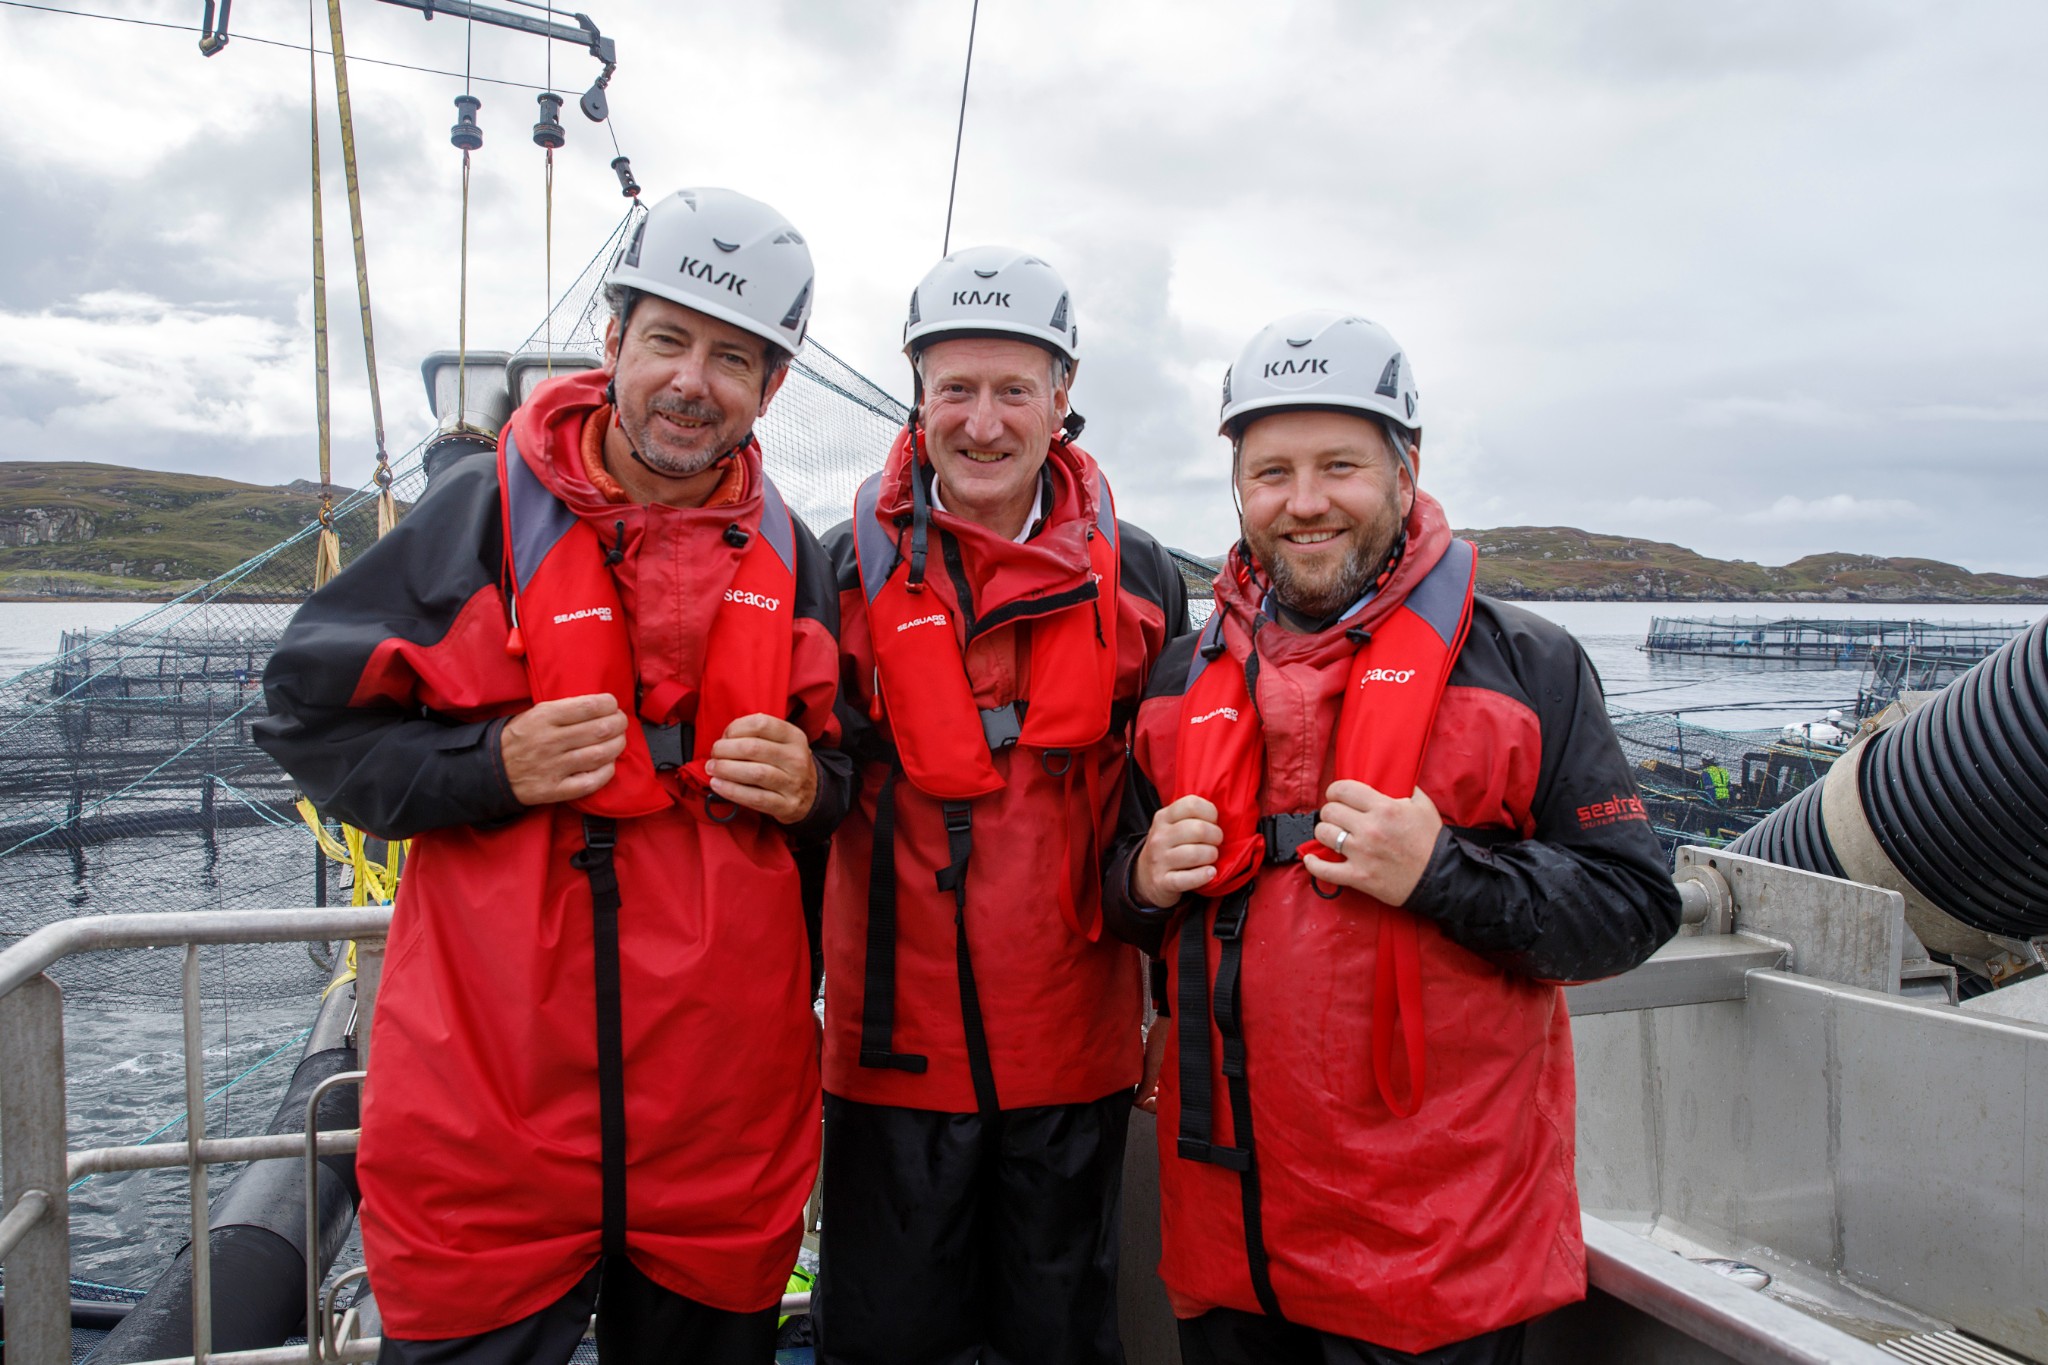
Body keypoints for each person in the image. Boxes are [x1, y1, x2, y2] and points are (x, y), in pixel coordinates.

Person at [256, 187, 847, 1365]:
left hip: (717, 1132)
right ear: (614, 342)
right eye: (668, 340)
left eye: (734, 358)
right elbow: (308, 718)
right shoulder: (474, 518)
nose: (693, 380)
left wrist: (814, 784)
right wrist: (488, 764)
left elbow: (844, 785)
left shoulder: (795, 558)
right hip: (489, 1124)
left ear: (771, 389)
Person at [1104, 310, 1682, 1364]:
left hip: (1434, 1264)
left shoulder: (1527, 666)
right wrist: (1141, 878)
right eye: (1271, 471)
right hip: (1229, 1249)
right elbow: (1115, 899)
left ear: (1405, 468)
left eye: (1340, 466)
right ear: (1238, 486)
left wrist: (1439, 873)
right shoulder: (1178, 680)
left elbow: (1631, 907)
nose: (1305, 501)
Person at [814, 246, 1191, 1365]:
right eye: (955, 390)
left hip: (1073, 1057)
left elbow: (1169, 806)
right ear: (917, 397)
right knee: (883, 1346)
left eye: (1013, 389)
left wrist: (1171, 1001)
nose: (983, 422)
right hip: (889, 1060)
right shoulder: (834, 572)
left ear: (1061, 399)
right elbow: (788, 823)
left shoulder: (1146, 582)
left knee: (1059, 1344)